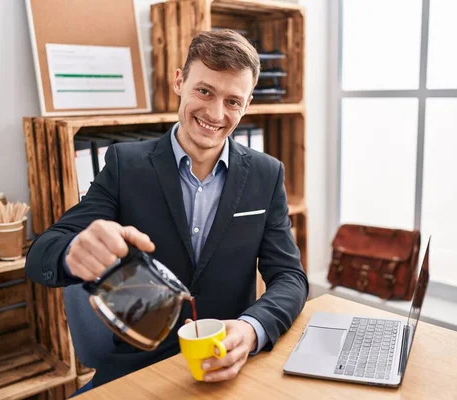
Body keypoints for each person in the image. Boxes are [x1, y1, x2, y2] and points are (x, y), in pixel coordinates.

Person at [25, 29, 308, 390]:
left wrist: (252, 330)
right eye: (204, 91)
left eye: (233, 101)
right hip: (139, 368)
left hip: (225, 363)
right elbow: (42, 253)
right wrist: (71, 252)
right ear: (179, 81)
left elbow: (290, 277)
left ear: (247, 104)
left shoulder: (267, 175)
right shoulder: (125, 165)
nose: (216, 113)